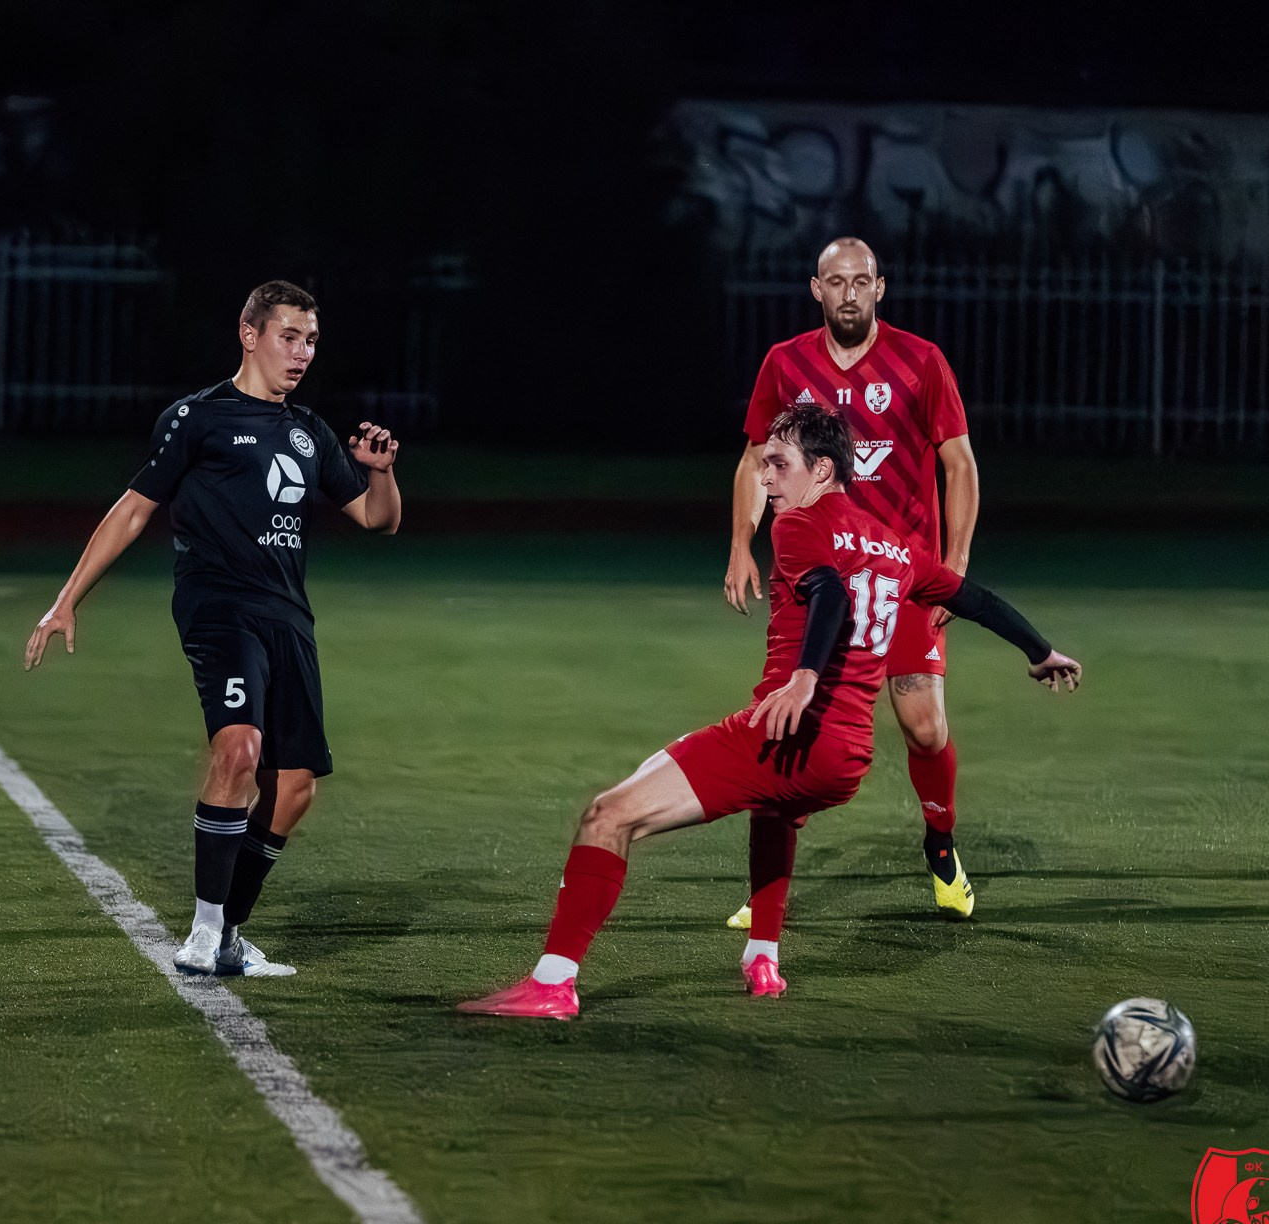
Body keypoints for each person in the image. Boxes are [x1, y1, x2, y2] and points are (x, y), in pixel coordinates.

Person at [460, 403, 1076, 1019]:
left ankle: (552, 985)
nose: (765, 478)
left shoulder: (797, 527)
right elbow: (977, 599)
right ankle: (763, 958)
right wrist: (1040, 650)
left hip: (792, 736)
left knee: (606, 816)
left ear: (823, 469)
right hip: (845, 758)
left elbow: (830, 591)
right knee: (772, 807)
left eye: (779, 465)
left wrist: (805, 678)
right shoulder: (895, 546)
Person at [24, 280, 401, 977]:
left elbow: (377, 519)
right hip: (217, 604)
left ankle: (228, 932)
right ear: (249, 333)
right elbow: (134, 508)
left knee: (294, 789)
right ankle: (203, 935)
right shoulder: (196, 417)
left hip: (288, 616)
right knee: (237, 751)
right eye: (290, 336)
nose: (302, 352)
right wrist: (67, 598)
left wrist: (381, 474)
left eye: (312, 340)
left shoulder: (310, 432)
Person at [723, 237, 982, 930]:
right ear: (816, 289)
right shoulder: (785, 363)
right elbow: (756, 460)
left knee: (924, 728)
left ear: (880, 287)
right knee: (791, 723)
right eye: (835, 281)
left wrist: (953, 566)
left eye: (860, 281)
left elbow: (960, 464)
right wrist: (741, 544)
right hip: (817, 579)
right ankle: (766, 888)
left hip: (900, 577)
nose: (848, 292)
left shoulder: (921, 361)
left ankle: (941, 845)